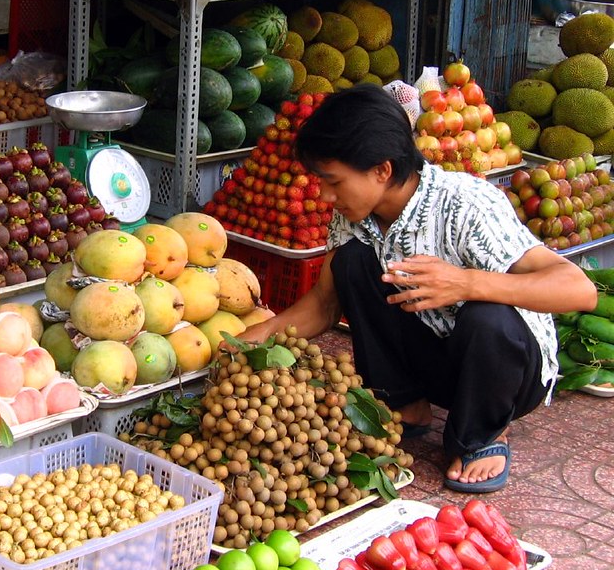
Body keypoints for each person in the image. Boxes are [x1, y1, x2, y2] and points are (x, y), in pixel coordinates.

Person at [238, 84, 597, 493]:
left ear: (382, 170)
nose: (323, 195)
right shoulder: (357, 216)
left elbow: (579, 290)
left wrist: (466, 283)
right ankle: (406, 402)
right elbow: (324, 302)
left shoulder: (466, 203)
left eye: (333, 181)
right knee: (353, 263)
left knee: (487, 314)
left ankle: (482, 435)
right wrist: (254, 340)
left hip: (505, 370)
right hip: (437, 359)